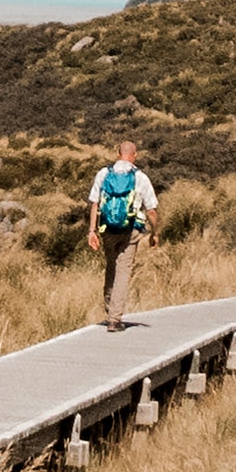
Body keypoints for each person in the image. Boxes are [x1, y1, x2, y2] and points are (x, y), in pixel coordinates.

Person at [85, 138, 159, 330]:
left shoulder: (103, 173)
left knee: (110, 267)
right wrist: (154, 233)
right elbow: (151, 210)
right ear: (134, 156)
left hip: (107, 229)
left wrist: (92, 231)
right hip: (131, 231)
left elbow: (94, 203)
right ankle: (114, 318)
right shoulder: (140, 177)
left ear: (118, 154)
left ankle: (109, 308)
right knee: (123, 271)